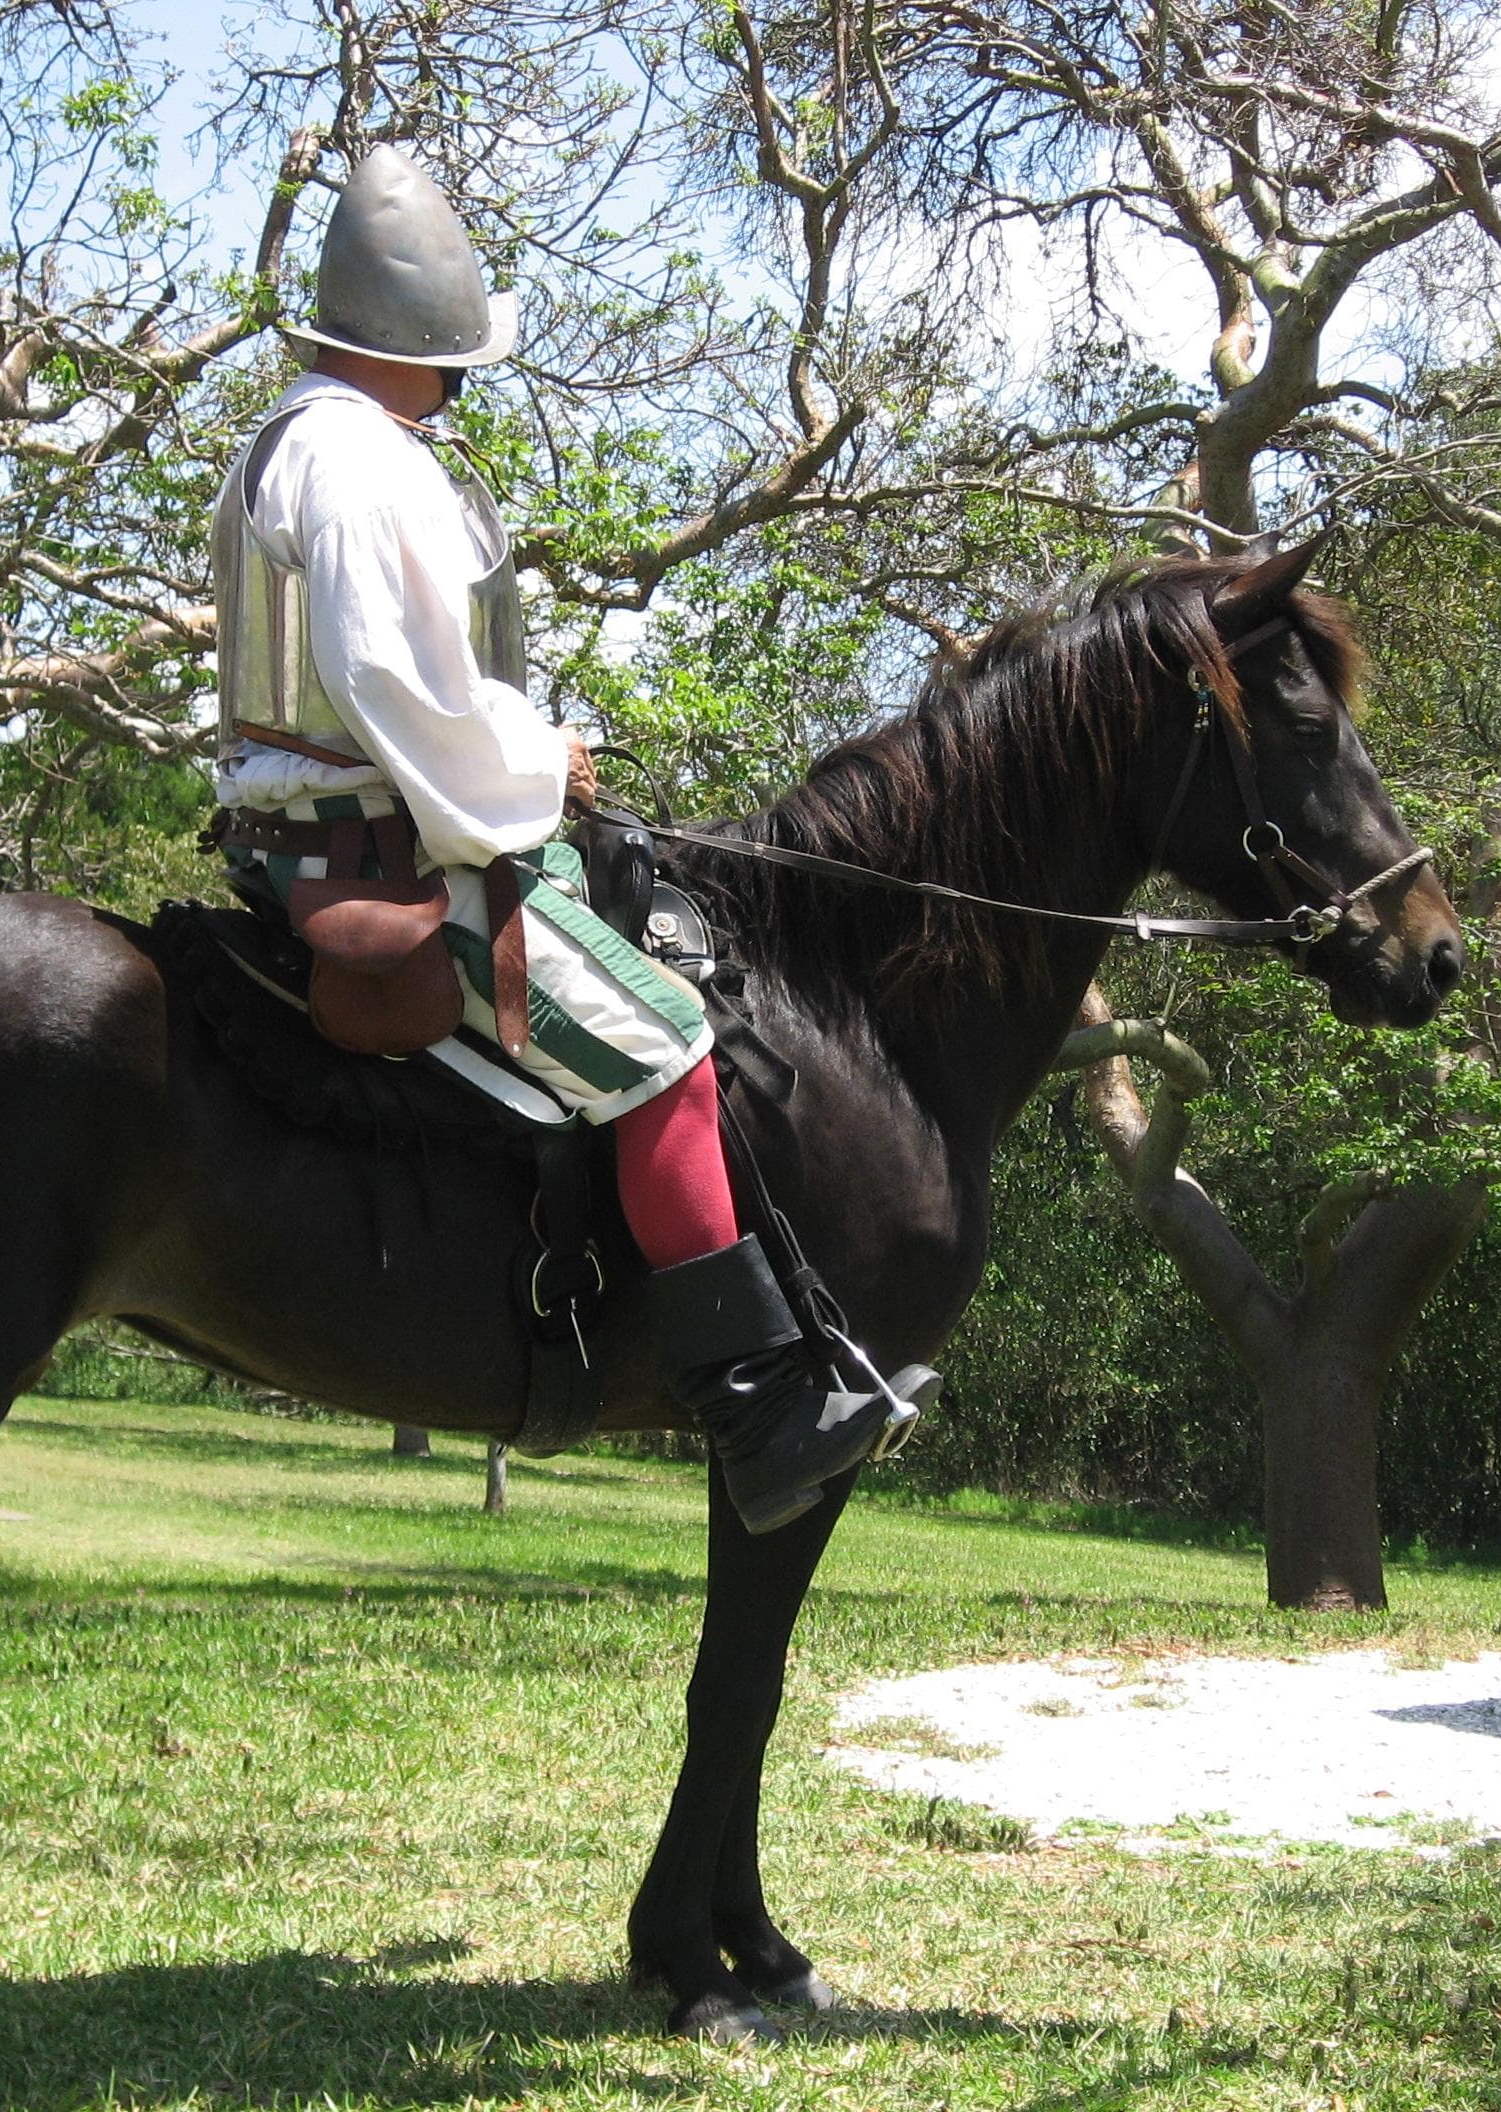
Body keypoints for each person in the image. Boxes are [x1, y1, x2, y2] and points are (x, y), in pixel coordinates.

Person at [210, 145, 925, 1534]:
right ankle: (763, 1412)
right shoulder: (359, 463)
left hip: (336, 827)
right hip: (384, 853)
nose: (466, 377)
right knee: (662, 1041)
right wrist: (547, 759)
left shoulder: (291, 440)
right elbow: (399, 691)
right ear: (420, 343)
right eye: (460, 352)